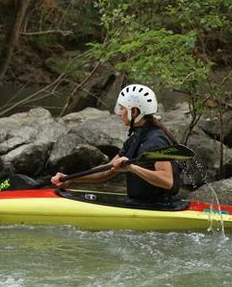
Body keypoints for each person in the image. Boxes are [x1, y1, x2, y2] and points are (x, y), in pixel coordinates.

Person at [51, 84, 181, 201]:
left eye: (122, 108)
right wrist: (71, 178)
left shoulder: (155, 141)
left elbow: (167, 180)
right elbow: (107, 170)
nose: (119, 113)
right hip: (141, 203)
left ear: (134, 112)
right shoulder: (137, 137)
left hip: (160, 207)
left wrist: (132, 168)